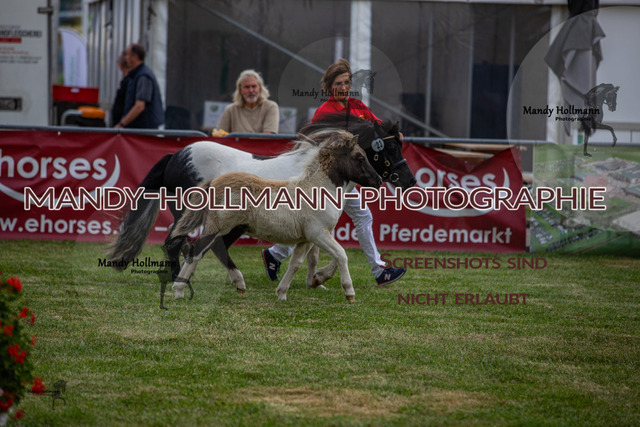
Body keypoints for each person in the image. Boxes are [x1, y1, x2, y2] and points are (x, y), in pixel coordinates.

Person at [262, 58, 406, 287]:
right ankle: (379, 271)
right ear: (329, 86)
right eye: (338, 83)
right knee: (331, 221)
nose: (343, 87)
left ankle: (275, 254)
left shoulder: (358, 106)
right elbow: (321, 150)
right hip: (328, 181)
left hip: (345, 181)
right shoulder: (324, 112)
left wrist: (393, 133)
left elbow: (378, 126)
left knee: (351, 218)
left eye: (347, 82)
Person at [114, 43, 164, 129]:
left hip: (143, 130)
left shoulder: (143, 77)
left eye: (128, 54)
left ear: (135, 57)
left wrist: (122, 124)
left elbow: (139, 106)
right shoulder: (135, 75)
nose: (126, 58)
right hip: (138, 128)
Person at [217, 69, 279, 133]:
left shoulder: (270, 107)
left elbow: (268, 136)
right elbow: (219, 134)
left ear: (260, 88)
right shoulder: (230, 110)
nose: (251, 90)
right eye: (247, 87)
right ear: (240, 90)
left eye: (254, 86)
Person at [111, 51, 131, 127]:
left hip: (122, 125)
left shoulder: (129, 81)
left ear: (121, 64)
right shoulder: (128, 80)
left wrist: (121, 124)